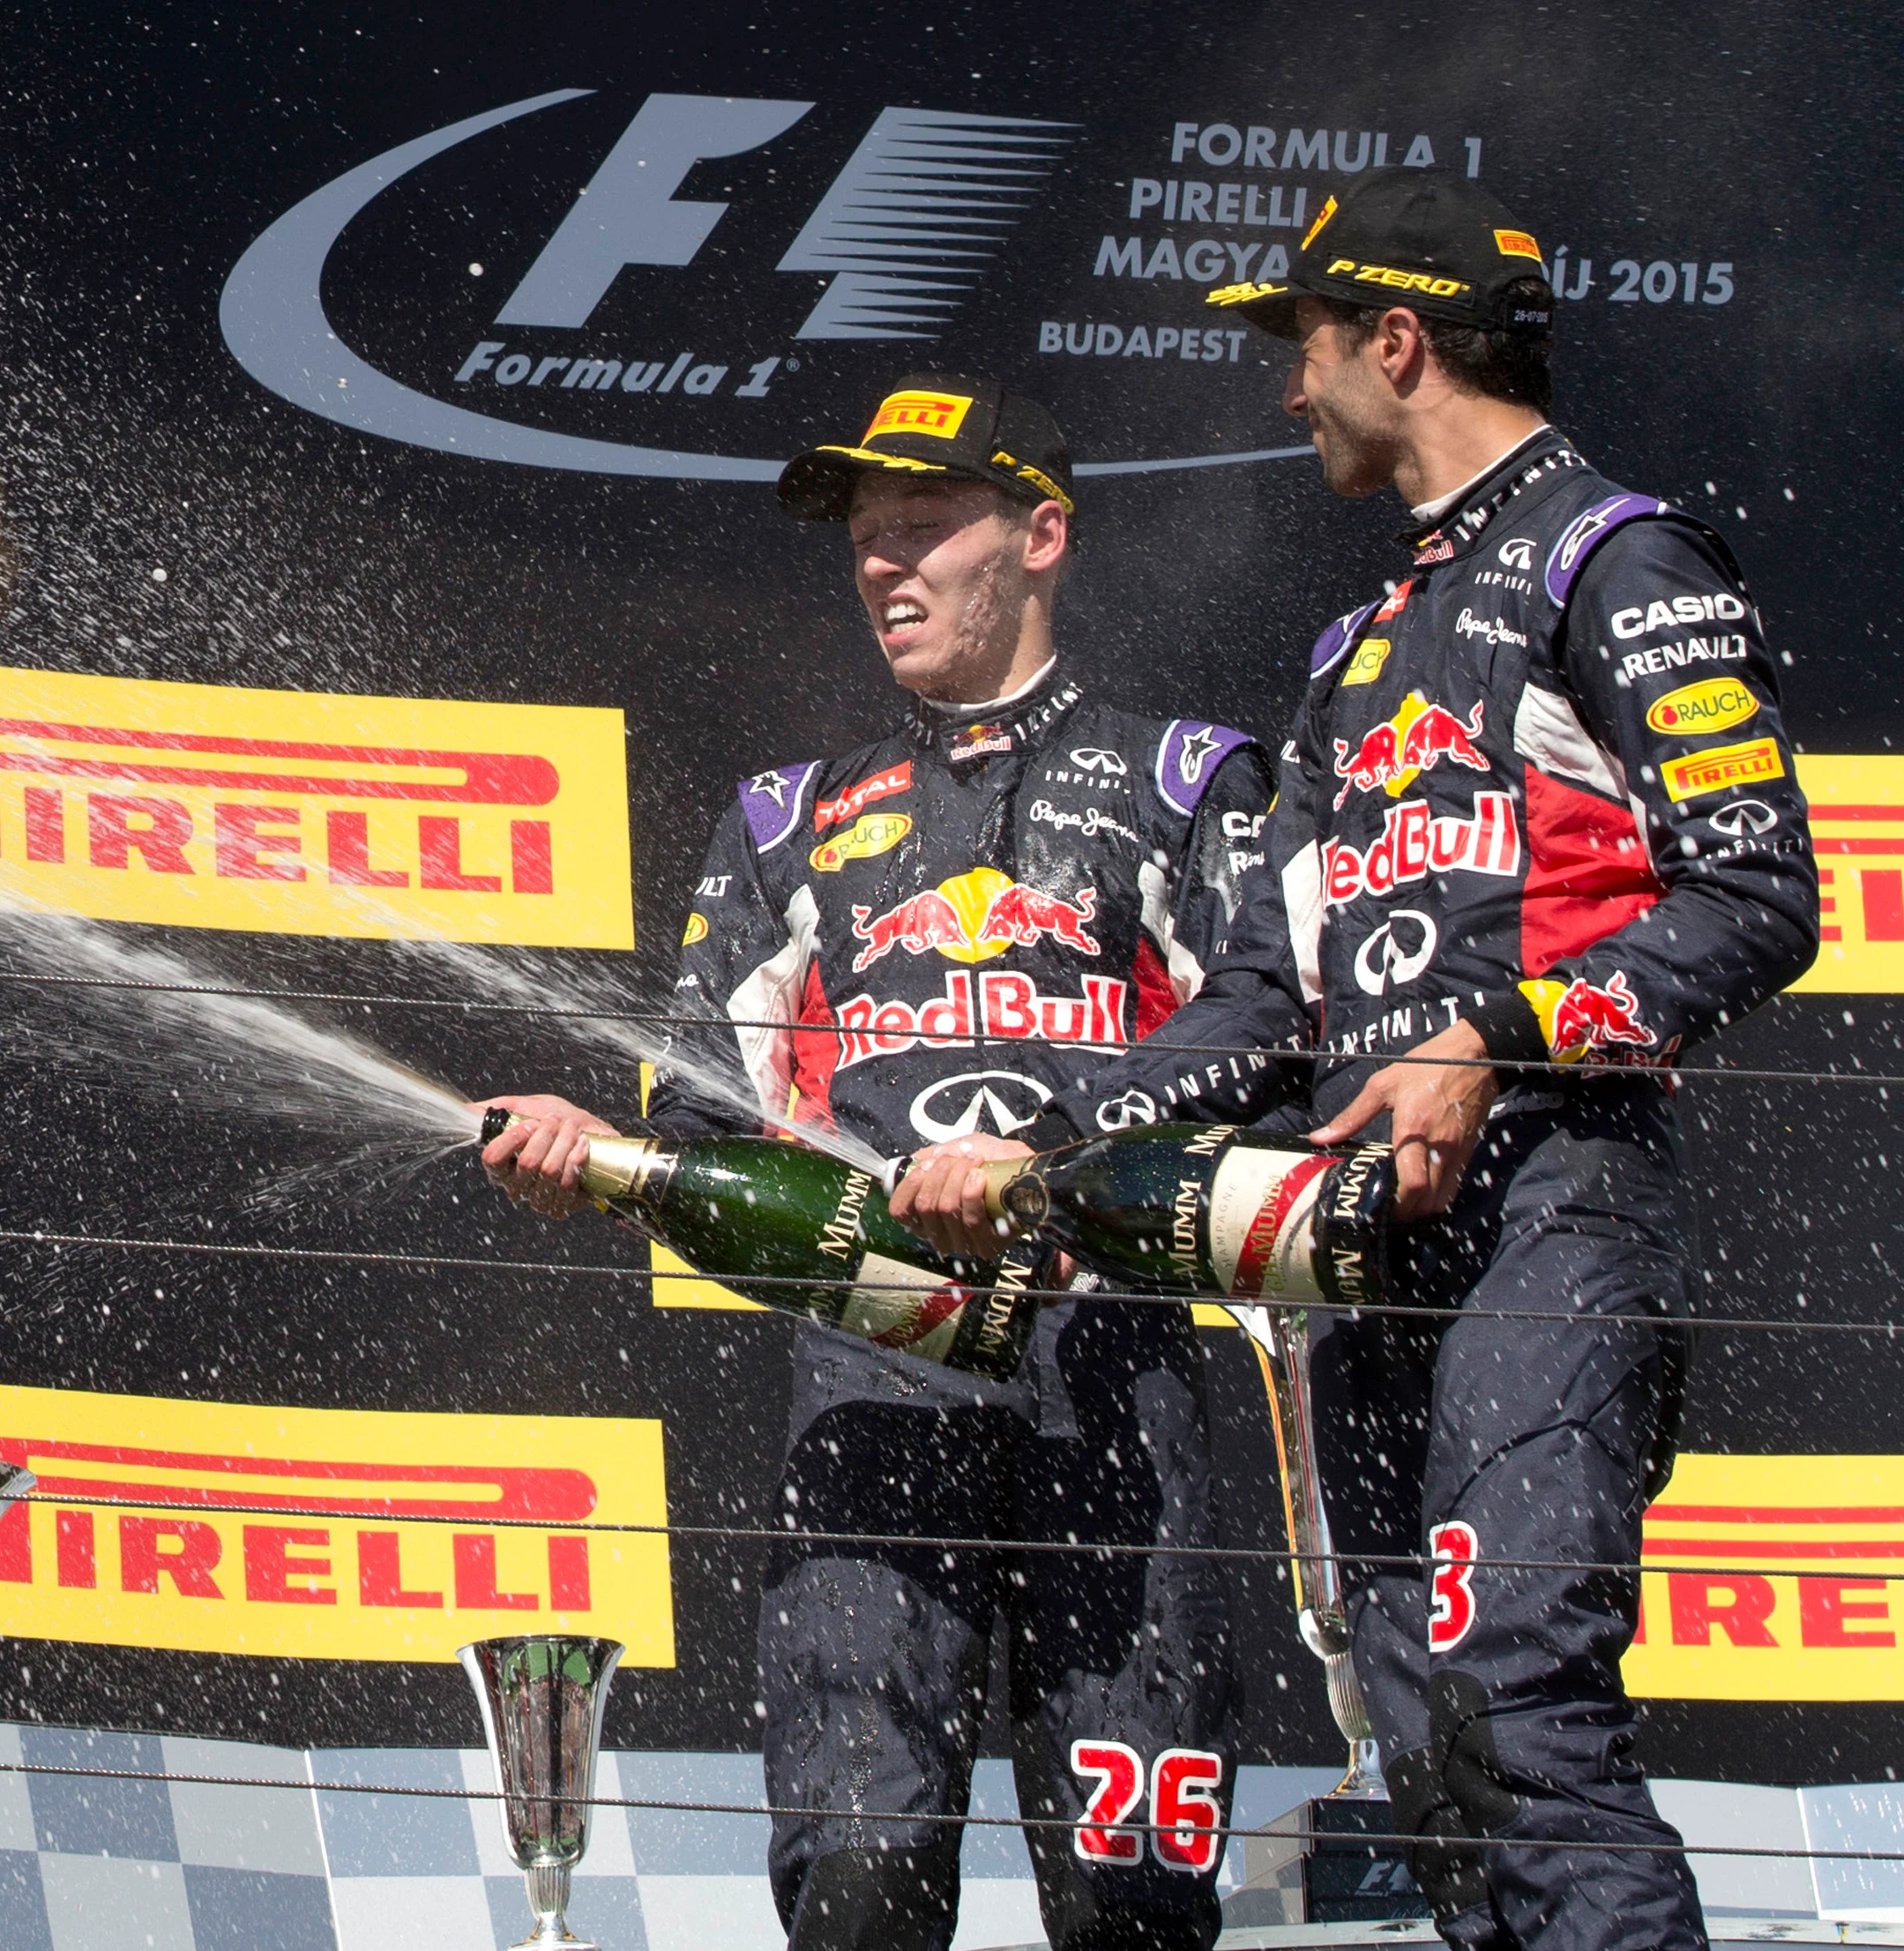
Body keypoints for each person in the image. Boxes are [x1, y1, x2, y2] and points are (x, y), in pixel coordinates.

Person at [899, 170, 1819, 1951]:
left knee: (1518, 1700)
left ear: (1395, 341)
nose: (1284, 387)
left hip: (1561, 1197)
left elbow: (1760, 895)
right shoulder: (1355, 650)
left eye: (1302, 347)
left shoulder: (1613, 557)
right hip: (1368, 1249)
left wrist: (1498, 1035)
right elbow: (1265, 999)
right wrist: (1046, 1136)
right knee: (1425, 1739)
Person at [482, 375, 1270, 1951]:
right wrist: (597, 1156)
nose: (881, 567)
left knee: (1130, 1896)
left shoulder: (1189, 776)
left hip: (1113, 1373)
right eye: (863, 541)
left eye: (922, 528)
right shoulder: (785, 819)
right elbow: (702, 1126)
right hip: (870, 1384)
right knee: (858, 1876)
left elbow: (1263, 1024)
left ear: (1040, 535)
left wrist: (1042, 1155)